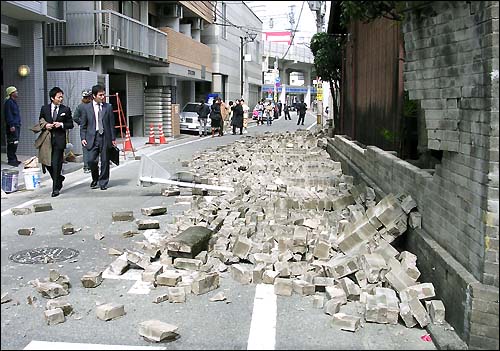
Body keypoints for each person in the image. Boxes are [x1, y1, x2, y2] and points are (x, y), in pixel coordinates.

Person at [80, 84, 117, 191]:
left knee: (105, 160)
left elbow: (111, 124)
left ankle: (103, 182)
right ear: (94, 96)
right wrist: (83, 137)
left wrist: (113, 139)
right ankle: (95, 178)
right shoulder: (86, 108)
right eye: (100, 95)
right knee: (91, 160)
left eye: (103, 95)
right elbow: (83, 125)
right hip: (92, 136)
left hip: (105, 136)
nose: (103, 97)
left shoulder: (108, 107)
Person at [38, 87, 74, 197]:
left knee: (56, 164)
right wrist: (46, 125)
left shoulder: (65, 109)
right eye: (59, 97)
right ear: (52, 98)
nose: (61, 99)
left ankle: (55, 189)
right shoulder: (44, 109)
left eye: (62, 96)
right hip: (47, 140)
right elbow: (41, 121)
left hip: (59, 140)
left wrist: (61, 125)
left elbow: (70, 124)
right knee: (47, 163)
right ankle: (59, 179)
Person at [73, 89, 93, 172]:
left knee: (86, 148)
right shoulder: (91, 105)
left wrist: (81, 123)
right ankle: (89, 165)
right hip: (91, 129)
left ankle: (87, 166)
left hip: (84, 130)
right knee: (92, 147)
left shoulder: (80, 106)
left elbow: (75, 117)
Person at [4, 86, 22, 167]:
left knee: (15, 142)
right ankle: (11, 159)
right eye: (15, 91)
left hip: (16, 125)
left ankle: (14, 158)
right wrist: (11, 125)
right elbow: (8, 115)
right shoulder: (8, 102)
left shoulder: (13, 102)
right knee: (12, 142)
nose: (17, 92)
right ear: (11, 93)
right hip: (12, 126)